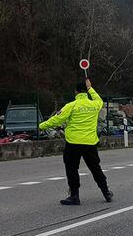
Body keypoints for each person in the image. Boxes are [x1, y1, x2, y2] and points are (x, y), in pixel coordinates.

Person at [39, 77, 113, 205]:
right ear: (86, 91)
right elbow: (99, 100)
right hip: (90, 143)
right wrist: (90, 88)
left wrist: (41, 126)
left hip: (73, 143)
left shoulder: (71, 106)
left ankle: (74, 196)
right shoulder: (95, 105)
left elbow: (57, 119)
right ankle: (106, 192)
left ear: (76, 91)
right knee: (95, 168)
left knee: (72, 169)